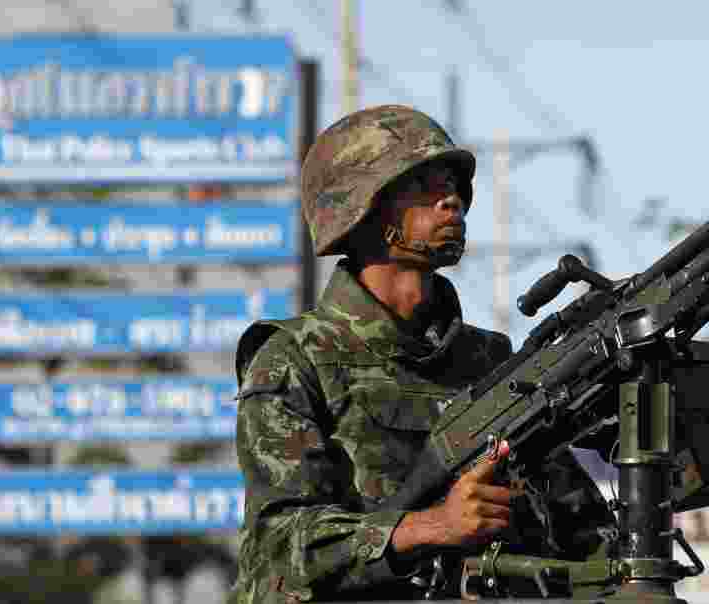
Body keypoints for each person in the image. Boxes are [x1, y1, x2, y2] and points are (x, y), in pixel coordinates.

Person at [228, 105, 612, 603]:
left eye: (453, 185)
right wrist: (432, 527)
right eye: (423, 186)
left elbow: (580, 528)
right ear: (363, 208)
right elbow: (281, 550)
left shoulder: (491, 363)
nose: (451, 200)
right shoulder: (293, 358)